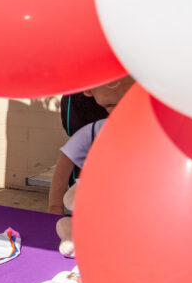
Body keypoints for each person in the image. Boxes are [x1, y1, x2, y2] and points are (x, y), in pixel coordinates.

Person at [47, 76, 136, 215]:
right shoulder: (94, 131)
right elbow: (64, 164)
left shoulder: (153, 130)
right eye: (110, 105)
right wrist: (55, 206)